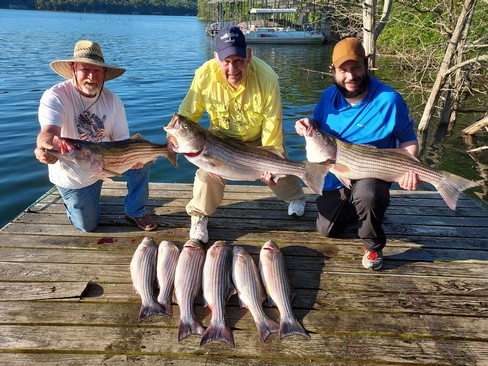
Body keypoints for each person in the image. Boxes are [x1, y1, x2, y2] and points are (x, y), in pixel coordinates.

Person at [168, 25, 306, 244]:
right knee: (206, 175)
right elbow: (187, 116)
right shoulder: (204, 76)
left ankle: (297, 198)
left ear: (248, 55)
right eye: (226, 61)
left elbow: (272, 125)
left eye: (238, 60)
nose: (232, 68)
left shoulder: (268, 79)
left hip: (259, 136)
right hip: (220, 138)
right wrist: (175, 138)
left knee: (282, 166)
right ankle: (198, 217)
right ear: (216, 58)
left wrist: (272, 160)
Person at [295, 38, 420, 271]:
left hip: (373, 172)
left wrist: (411, 168)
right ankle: (363, 210)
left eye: (356, 68)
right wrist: (308, 124)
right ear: (333, 71)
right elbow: (319, 126)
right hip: (337, 173)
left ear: (366, 64)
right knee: (327, 230)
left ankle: (373, 246)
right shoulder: (327, 97)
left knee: (369, 194)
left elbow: (409, 140)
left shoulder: (389, 100)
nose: (350, 76)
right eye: (343, 70)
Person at [35, 40, 157, 232]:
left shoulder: (113, 101)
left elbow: (123, 143)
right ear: (73, 67)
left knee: (141, 155)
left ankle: (135, 209)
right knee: (87, 226)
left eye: (98, 70)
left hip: (106, 161)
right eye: (85, 69)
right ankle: (74, 204)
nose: (92, 76)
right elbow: (48, 132)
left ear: (105, 73)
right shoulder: (55, 96)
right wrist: (45, 146)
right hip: (74, 176)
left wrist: (135, 159)